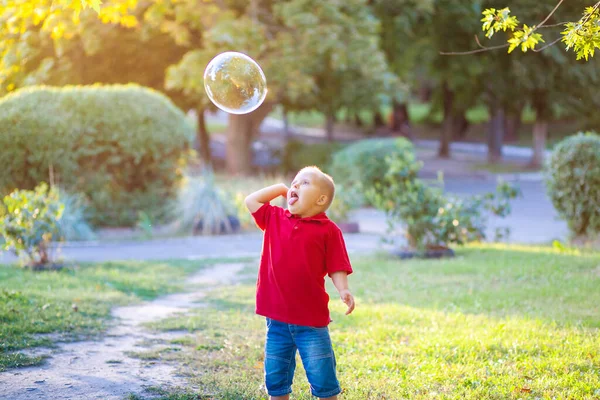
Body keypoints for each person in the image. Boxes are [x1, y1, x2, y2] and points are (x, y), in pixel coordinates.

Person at [244, 166, 355, 400]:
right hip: (276, 320)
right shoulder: (274, 218)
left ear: (321, 199)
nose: (294, 186)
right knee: (276, 380)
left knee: (322, 378)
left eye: (304, 183)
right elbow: (251, 200)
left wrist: (343, 289)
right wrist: (282, 189)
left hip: (311, 323)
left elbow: (336, 266)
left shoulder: (329, 231)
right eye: (294, 182)